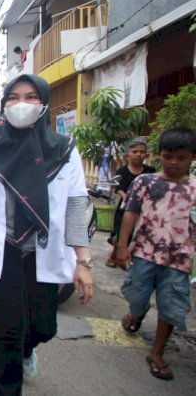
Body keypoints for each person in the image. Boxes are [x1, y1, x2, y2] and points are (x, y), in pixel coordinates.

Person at [0, 74, 93, 395]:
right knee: (8, 327)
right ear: (3, 105)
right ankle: (7, 387)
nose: (21, 104)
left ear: (43, 104)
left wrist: (83, 260)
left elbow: (75, 203)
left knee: (44, 326)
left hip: (44, 247)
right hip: (3, 249)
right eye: (13, 97)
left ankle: (28, 350)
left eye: (30, 97)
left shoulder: (64, 149)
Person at [115, 127, 196, 381]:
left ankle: (157, 352)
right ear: (159, 155)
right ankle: (135, 314)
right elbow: (130, 213)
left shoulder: (194, 188)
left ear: (192, 157)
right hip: (143, 254)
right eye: (167, 156)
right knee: (136, 296)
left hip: (178, 261)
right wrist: (122, 246)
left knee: (170, 307)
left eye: (181, 157)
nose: (173, 162)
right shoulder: (145, 182)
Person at [105, 138, 155, 267]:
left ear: (146, 154)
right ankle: (114, 254)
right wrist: (130, 200)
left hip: (145, 209)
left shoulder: (151, 171)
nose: (138, 154)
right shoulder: (122, 171)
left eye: (142, 152)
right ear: (128, 155)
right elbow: (119, 189)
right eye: (135, 151)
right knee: (120, 233)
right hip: (124, 209)